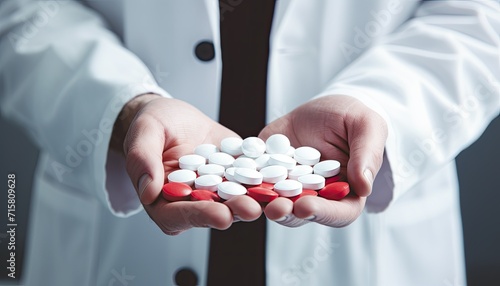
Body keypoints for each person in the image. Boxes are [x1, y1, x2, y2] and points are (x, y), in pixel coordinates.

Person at [0, 0, 499, 285]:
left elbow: (482, 16)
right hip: (122, 233)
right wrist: (127, 108)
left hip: (361, 251)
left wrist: (376, 108)